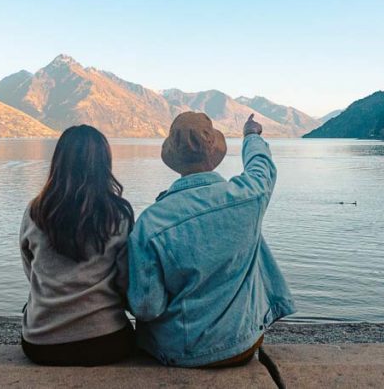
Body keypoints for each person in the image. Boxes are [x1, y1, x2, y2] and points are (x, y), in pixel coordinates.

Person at [127, 112, 295, 368]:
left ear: (174, 159)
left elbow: (148, 308)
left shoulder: (151, 223)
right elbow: (261, 167)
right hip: (240, 345)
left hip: (176, 352)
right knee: (250, 233)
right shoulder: (248, 195)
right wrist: (251, 135)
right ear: (213, 152)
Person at [19, 124, 136, 366]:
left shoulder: (35, 211)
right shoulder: (119, 214)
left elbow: (31, 269)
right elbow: (125, 281)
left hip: (41, 344)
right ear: (104, 164)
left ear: (58, 162)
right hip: (106, 341)